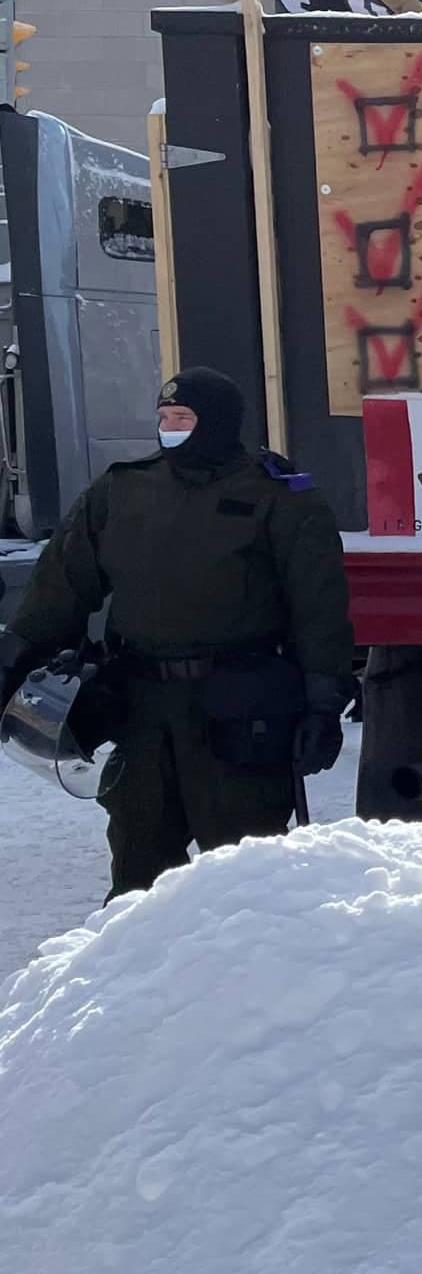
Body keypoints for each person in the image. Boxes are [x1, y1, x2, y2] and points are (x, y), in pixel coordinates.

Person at [0, 367, 352, 896]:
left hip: (239, 710)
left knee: (244, 874)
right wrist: (14, 661)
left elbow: (319, 607)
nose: (170, 429)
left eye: (183, 418)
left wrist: (324, 705)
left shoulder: (280, 496)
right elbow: (61, 586)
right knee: (137, 869)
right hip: (142, 707)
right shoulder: (123, 490)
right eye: (164, 418)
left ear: (216, 424)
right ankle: (138, 974)